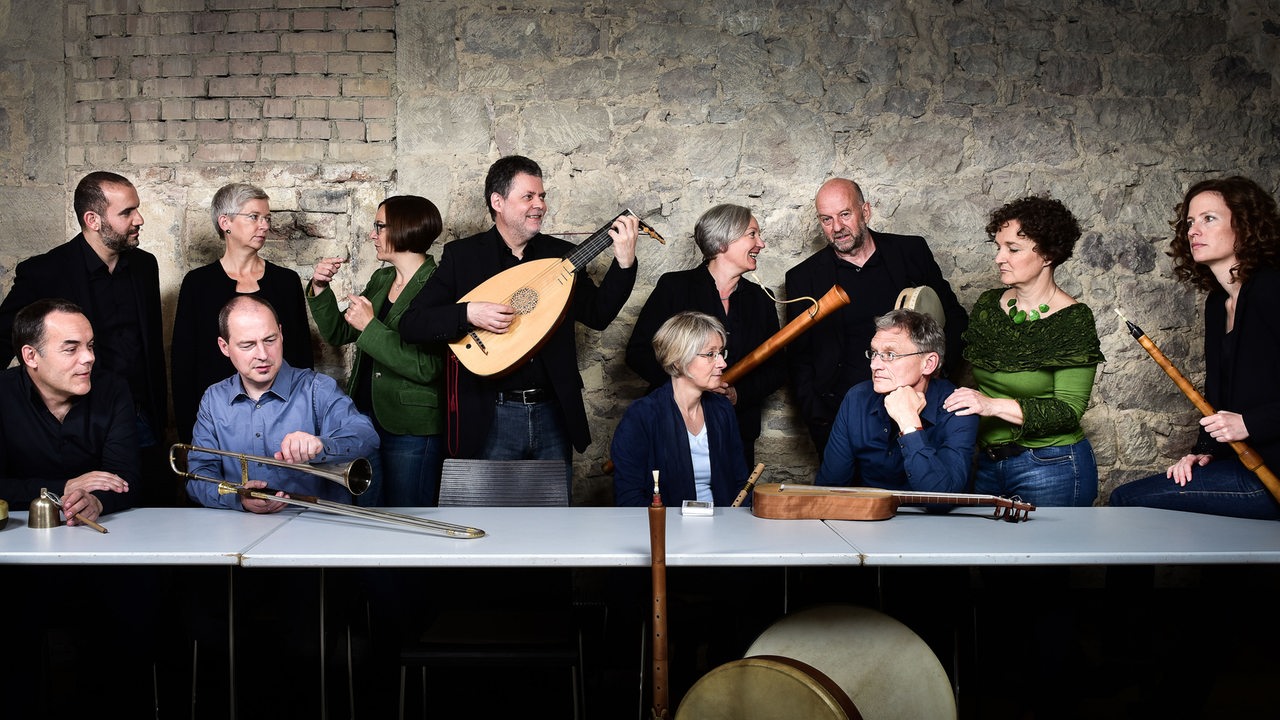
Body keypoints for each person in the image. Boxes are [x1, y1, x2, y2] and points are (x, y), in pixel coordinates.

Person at [399, 155, 638, 494]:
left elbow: (598, 315)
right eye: (528, 197)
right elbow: (412, 323)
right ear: (498, 202)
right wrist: (468, 313)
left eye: (542, 196)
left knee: (551, 520)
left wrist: (624, 264)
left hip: (552, 412)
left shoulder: (562, 256)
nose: (539, 205)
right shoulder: (463, 257)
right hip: (491, 414)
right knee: (488, 519)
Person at [1109, 176, 1280, 520]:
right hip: (1241, 461)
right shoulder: (1219, 303)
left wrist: (1251, 423)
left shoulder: (1272, 289)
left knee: (1125, 502)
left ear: (1245, 226)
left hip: (1272, 473)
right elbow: (1221, 394)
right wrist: (1205, 452)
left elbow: (1245, 416)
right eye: (1190, 222)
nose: (1193, 230)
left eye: (1209, 219)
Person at [0, 172, 170, 505]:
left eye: (136, 209)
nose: (139, 219)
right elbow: (4, 335)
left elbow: (149, 345)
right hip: (80, 419)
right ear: (92, 220)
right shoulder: (44, 271)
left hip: (138, 413)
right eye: (126, 212)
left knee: (147, 501)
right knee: (81, 505)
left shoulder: (145, 266)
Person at [785, 177, 967, 458]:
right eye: (826, 219)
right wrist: (818, 419)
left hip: (916, 409)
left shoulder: (910, 253)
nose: (836, 227)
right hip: (843, 418)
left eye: (845, 214)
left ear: (865, 211)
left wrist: (936, 375)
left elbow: (954, 318)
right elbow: (799, 358)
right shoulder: (803, 277)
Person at [943, 196, 1105, 508]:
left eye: (1012, 249)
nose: (999, 258)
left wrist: (990, 405)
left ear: (1047, 254)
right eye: (998, 247)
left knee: (1047, 557)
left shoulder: (1073, 319)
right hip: (989, 464)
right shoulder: (989, 306)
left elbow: (1067, 412)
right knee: (988, 557)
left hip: (1052, 466)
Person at [308, 195, 446, 507]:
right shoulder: (382, 278)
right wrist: (319, 288)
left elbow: (427, 367)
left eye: (379, 226)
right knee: (367, 510)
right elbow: (339, 332)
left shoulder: (438, 284)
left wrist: (370, 326)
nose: (373, 234)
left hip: (412, 427)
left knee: (408, 515)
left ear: (404, 228)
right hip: (365, 419)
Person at [625, 203, 784, 467]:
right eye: (752, 234)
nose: (762, 244)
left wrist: (738, 393)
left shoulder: (762, 299)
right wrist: (686, 387)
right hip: (672, 424)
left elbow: (777, 368)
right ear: (723, 242)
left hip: (735, 429)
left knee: (733, 503)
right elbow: (638, 353)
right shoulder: (673, 287)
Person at [184, 295, 378, 512]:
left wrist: (321, 445)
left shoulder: (317, 388)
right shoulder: (214, 399)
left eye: (270, 340)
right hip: (242, 530)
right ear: (224, 347)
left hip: (316, 527)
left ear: (281, 334)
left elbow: (367, 436)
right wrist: (237, 497)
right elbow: (199, 478)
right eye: (248, 345)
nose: (263, 355)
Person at [171, 182, 313, 445]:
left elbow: (301, 358)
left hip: (282, 420)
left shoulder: (286, 281)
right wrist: (191, 436)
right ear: (225, 222)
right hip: (217, 422)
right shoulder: (197, 284)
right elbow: (183, 366)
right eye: (254, 217)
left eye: (267, 218)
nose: (265, 226)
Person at [0, 298, 137, 521]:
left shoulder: (113, 389)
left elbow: (125, 478)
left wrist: (97, 502)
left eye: (90, 346)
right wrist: (64, 487)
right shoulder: (3, 394)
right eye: (71, 349)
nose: (89, 357)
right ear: (31, 356)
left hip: (101, 534)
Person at [816, 308, 978, 492]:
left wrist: (909, 425)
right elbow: (829, 488)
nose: (874, 365)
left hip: (934, 519)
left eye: (890, 355)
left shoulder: (957, 406)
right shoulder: (857, 399)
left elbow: (943, 498)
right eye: (874, 353)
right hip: (871, 517)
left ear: (929, 363)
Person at [613, 311, 750, 507]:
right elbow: (629, 499)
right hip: (667, 531)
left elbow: (740, 483)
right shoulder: (642, 416)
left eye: (721, 353)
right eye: (710, 354)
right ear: (678, 361)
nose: (722, 363)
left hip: (722, 527)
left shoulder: (722, 410)